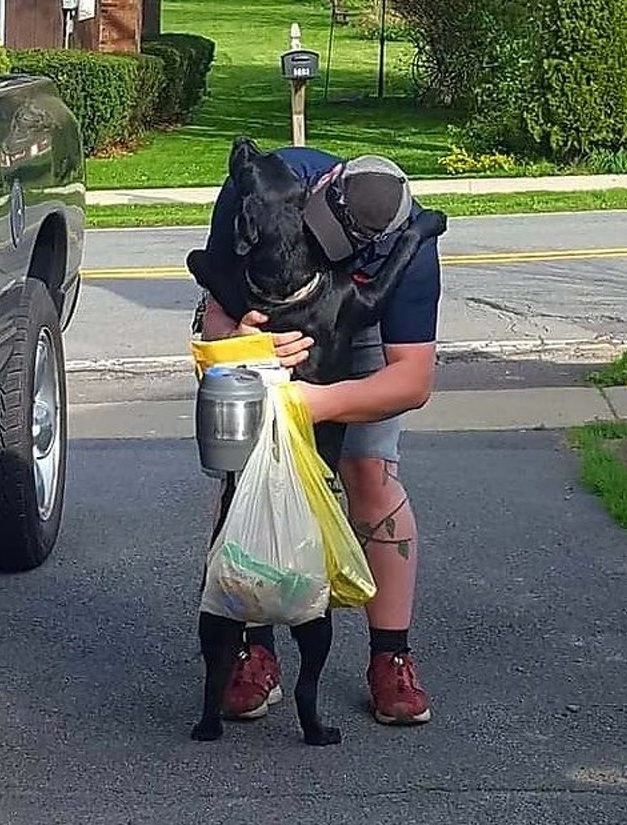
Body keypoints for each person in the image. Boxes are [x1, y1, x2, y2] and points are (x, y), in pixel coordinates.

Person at [189, 144, 444, 726]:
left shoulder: (409, 252)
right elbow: (217, 302)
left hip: (359, 319)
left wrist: (316, 404)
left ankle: (391, 656)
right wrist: (236, 337)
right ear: (324, 183)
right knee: (250, 479)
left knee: (368, 470)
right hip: (265, 317)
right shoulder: (264, 183)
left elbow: (412, 380)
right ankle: (252, 649)